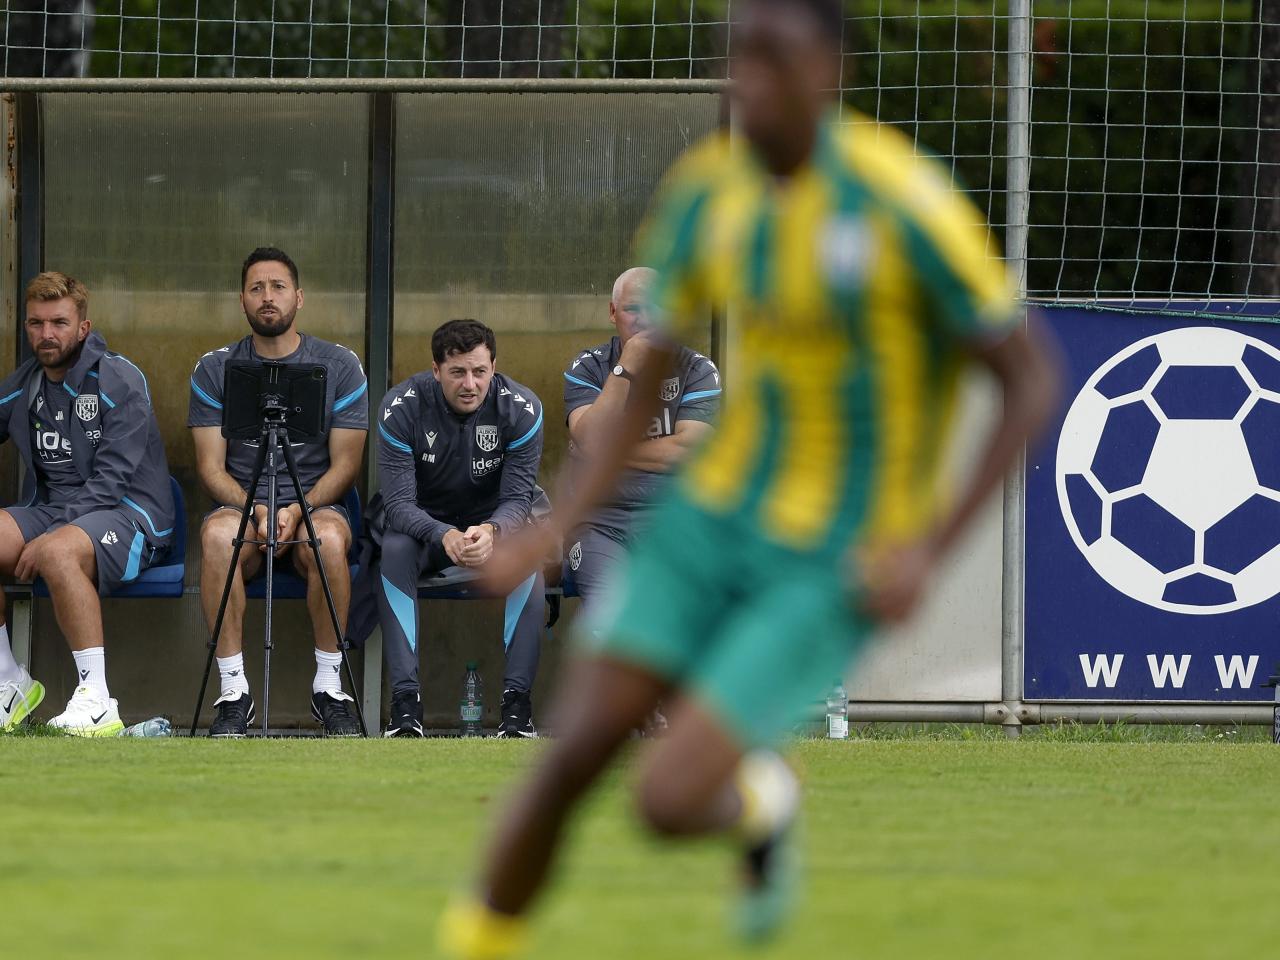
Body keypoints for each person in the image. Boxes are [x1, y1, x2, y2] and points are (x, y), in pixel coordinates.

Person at [437, 0, 1060, 955]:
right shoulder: (709, 190)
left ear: (831, 72)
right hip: (707, 523)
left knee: (665, 800)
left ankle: (756, 800)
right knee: (574, 753)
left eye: (775, 59)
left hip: (827, 555)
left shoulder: (903, 201)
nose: (750, 81)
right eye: (741, 57)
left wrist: (927, 548)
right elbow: (643, 382)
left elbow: (1029, 379)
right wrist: (554, 521)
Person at [189, 247, 368, 738]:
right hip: (241, 506)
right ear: (242, 299)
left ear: (299, 297)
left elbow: (347, 463)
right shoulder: (214, 367)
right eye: (256, 288)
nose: (268, 297)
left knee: (328, 540)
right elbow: (209, 466)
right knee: (217, 537)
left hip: (317, 504)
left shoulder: (339, 364)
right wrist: (261, 508)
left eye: (278, 287)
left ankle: (330, 689)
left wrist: (297, 508)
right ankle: (233, 694)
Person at [0, 272, 175, 737]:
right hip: (56, 513)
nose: (46, 334)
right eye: (36, 323)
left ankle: (96, 701)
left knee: (58, 551)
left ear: (83, 326)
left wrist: (49, 534)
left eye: (59, 322)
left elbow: (110, 483)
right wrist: (47, 527)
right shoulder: (26, 384)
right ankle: (8, 684)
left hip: (131, 516)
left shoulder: (119, 378)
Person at [372, 319, 546, 739]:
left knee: (528, 551)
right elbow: (397, 506)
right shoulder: (402, 407)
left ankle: (516, 709)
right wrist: (443, 534)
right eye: (457, 372)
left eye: (480, 371)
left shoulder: (522, 409)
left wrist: (491, 531)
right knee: (393, 549)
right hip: (424, 529)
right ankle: (405, 706)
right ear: (436, 370)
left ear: (494, 367)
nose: (470, 383)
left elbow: (519, 499)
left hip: (493, 528)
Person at [561, 266, 720, 609]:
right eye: (634, 308)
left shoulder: (697, 369)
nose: (645, 319)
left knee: (678, 618)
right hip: (600, 521)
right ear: (613, 312)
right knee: (607, 620)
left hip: (673, 520)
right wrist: (625, 368)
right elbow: (590, 436)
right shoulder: (588, 367)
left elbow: (686, 450)